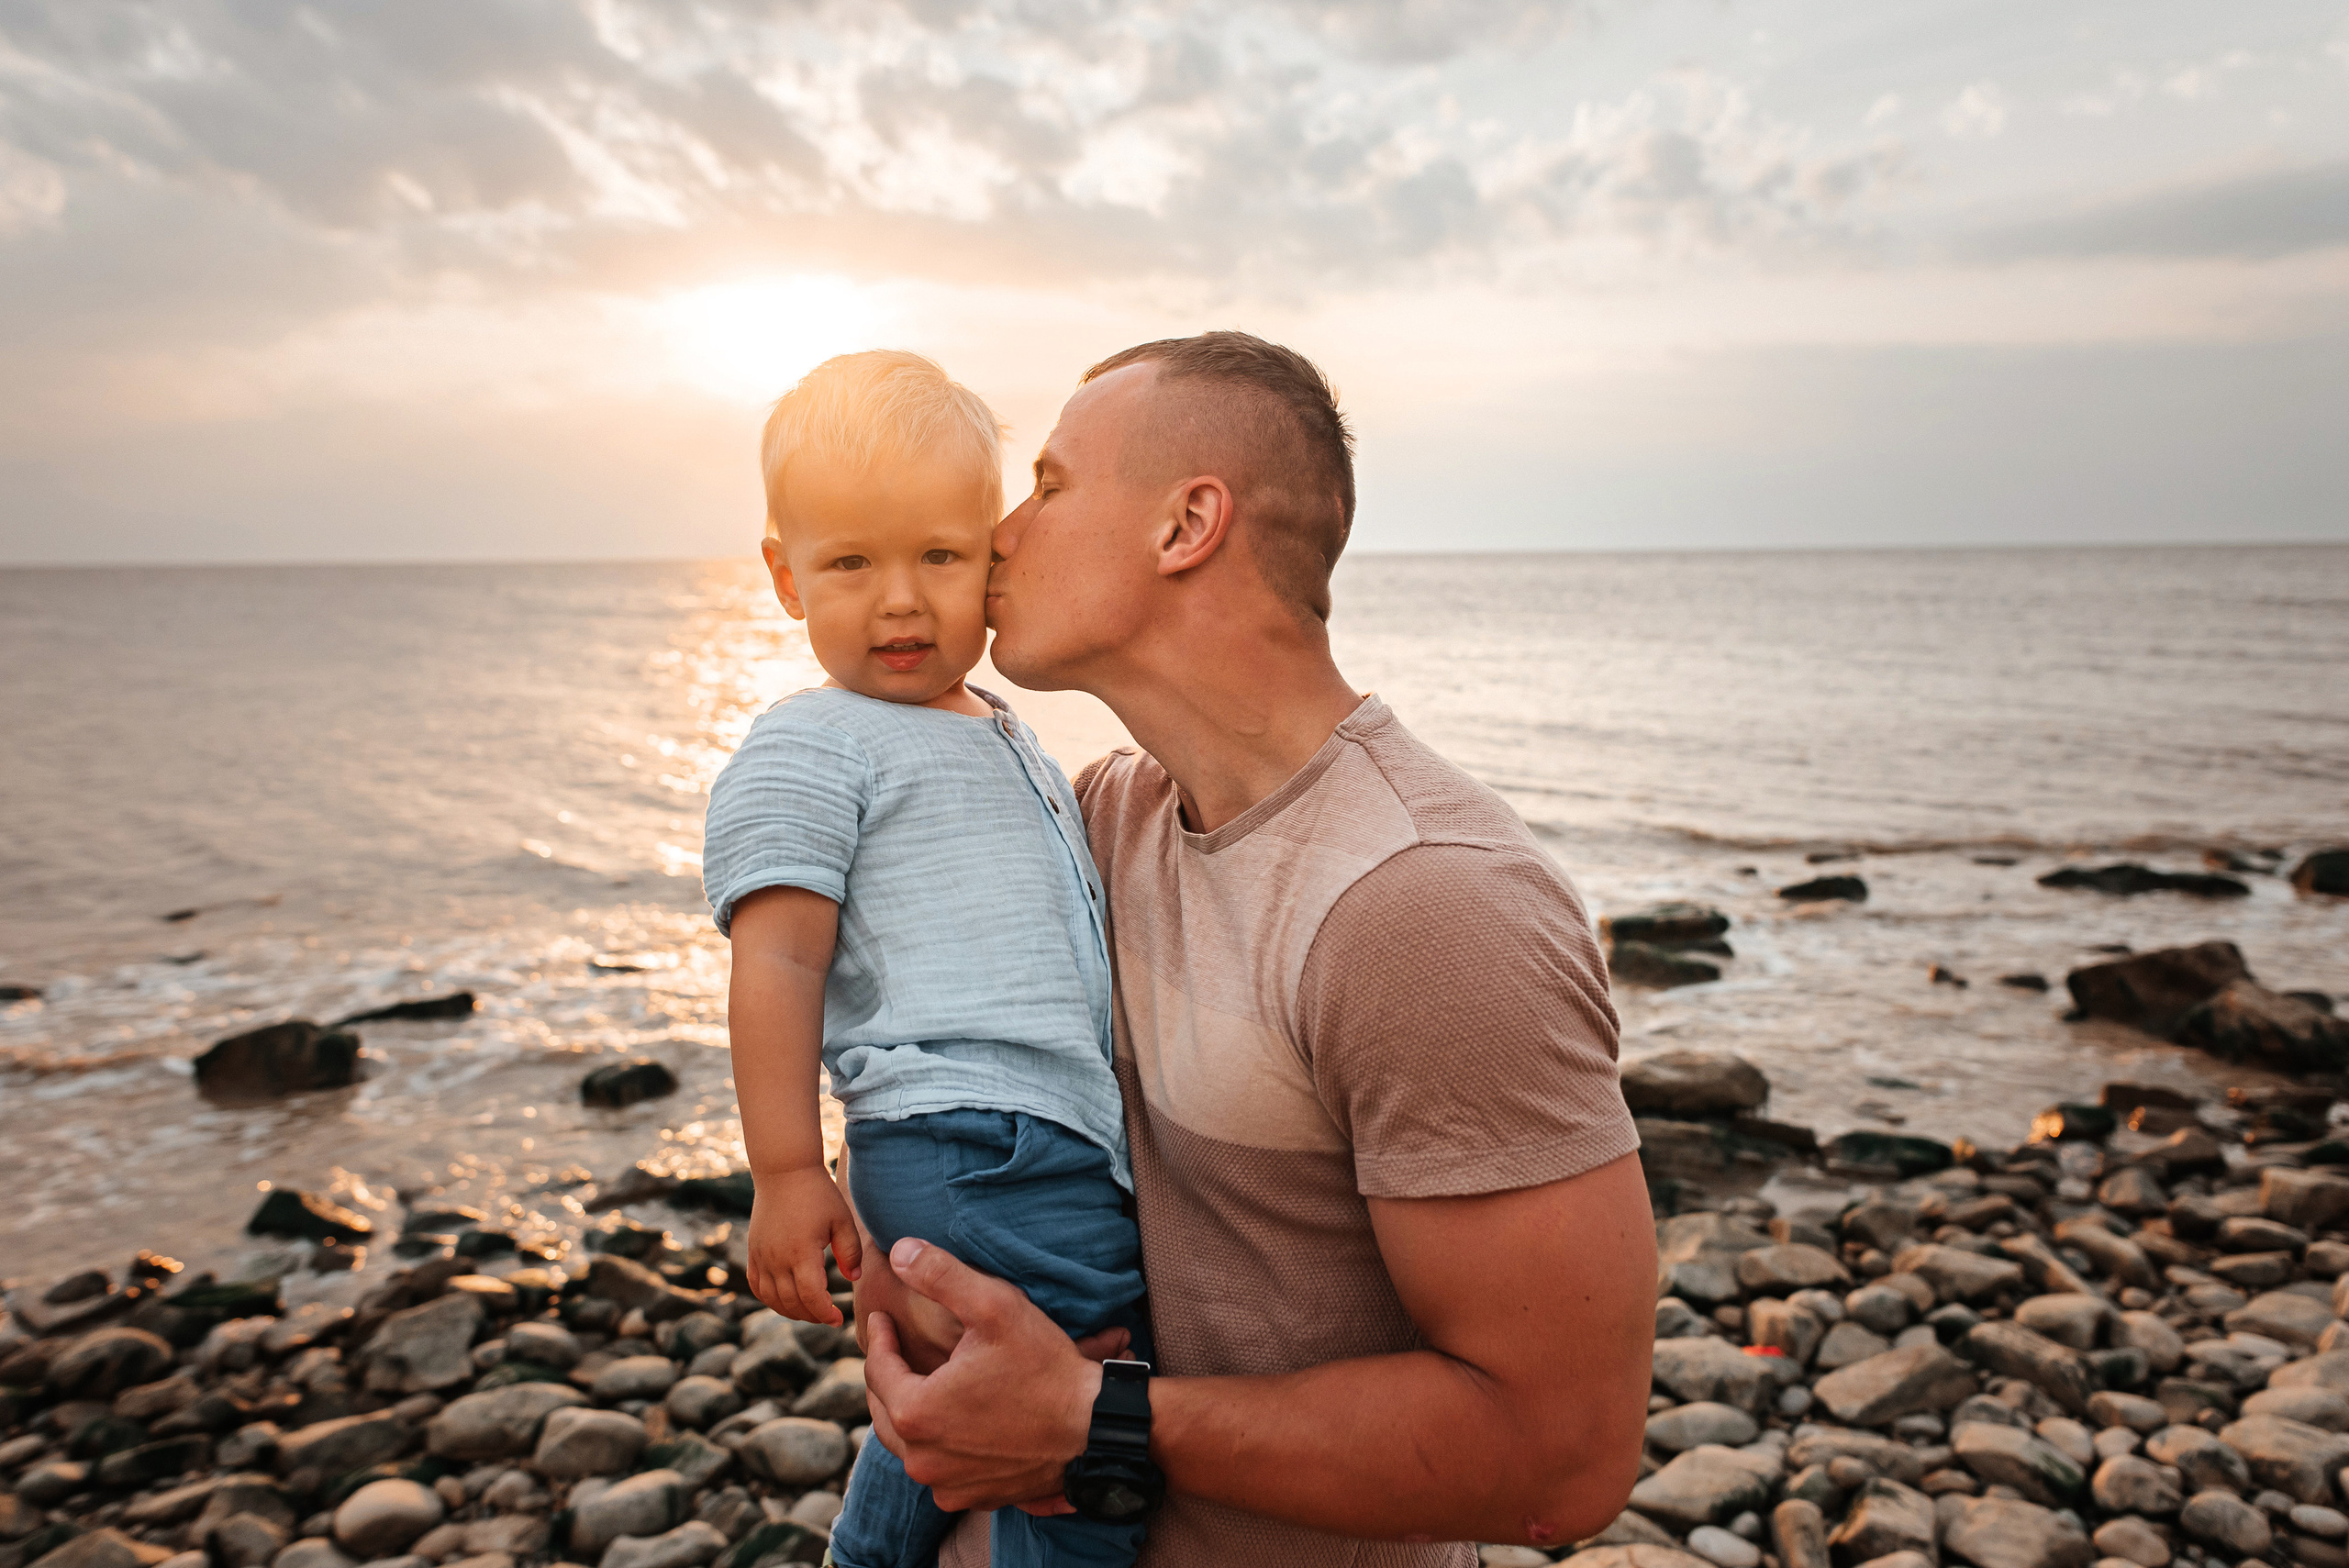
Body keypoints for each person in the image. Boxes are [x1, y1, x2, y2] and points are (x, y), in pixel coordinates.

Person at [853, 332, 1657, 1566]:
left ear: (1187, 525)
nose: (1001, 531)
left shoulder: (1424, 905)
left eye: (1054, 484)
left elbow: (1563, 1456)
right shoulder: (1107, 817)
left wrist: (1092, 1422)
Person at [700, 350, 1149, 1568]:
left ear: (993, 559)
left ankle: (872, 1554)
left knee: (975, 1377)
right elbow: (779, 962)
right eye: (852, 563)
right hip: (972, 1133)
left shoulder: (1003, 728)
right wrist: (790, 1171)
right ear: (787, 576)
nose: (900, 601)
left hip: (1031, 1136)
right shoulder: (812, 742)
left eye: (939, 558)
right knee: (1088, 1410)